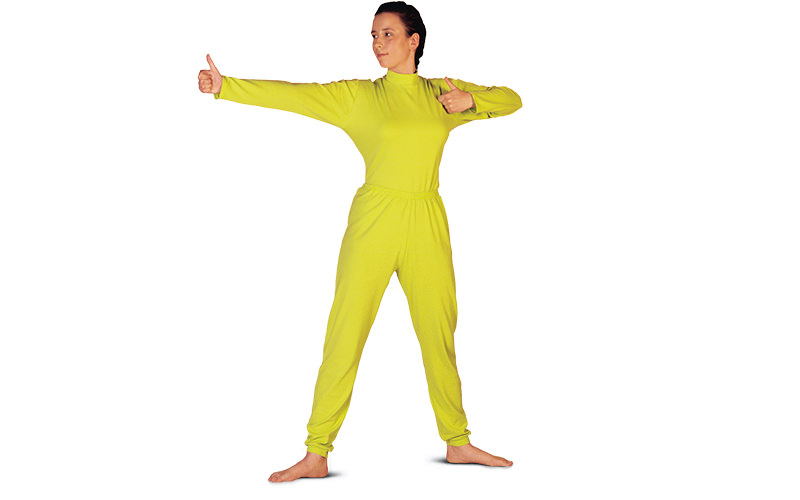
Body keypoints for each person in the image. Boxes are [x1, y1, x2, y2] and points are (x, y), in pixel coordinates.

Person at [198, 1, 521, 482]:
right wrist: (227, 87)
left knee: (439, 333)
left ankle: (458, 442)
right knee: (345, 333)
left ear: (413, 40)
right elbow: (296, 96)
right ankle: (316, 452)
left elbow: (512, 99)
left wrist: (470, 101)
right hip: (375, 220)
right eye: (373, 35)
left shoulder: (442, 93)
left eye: (387, 34)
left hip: (427, 219)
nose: (377, 43)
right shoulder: (360, 97)